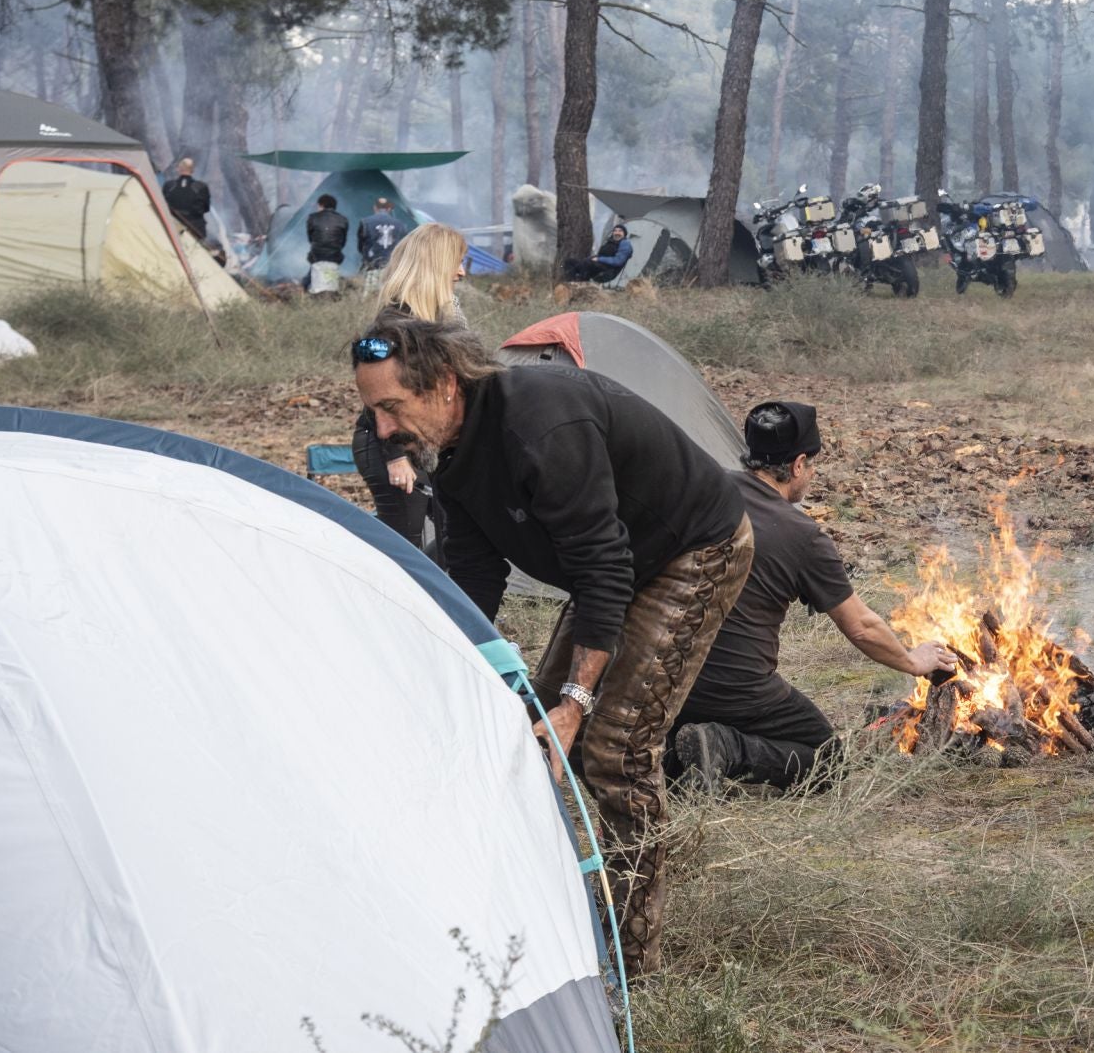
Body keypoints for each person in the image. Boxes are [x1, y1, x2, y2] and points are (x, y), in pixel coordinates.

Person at [351, 314, 754, 973]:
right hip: (612, 564)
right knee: (526, 732)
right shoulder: (449, 454)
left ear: (446, 384)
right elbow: (476, 572)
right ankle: (543, 911)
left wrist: (576, 701)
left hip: (691, 547)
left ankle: (632, 956)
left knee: (612, 746)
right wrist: (455, 663)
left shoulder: (540, 423)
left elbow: (605, 569)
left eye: (392, 407)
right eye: (372, 414)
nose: (383, 430)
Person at [669, 401, 959, 791]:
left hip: (665, 676)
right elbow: (861, 626)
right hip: (736, 688)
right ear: (798, 464)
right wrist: (912, 660)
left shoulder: (699, 491)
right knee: (825, 760)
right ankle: (724, 747)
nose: (813, 475)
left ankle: (673, 750)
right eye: (814, 465)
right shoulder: (802, 535)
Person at [349, 225, 466, 555]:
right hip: (389, 444)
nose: (461, 272)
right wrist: (397, 457)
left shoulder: (443, 318)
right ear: (435, 265)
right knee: (403, 548)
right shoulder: (388, 326)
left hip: (427, 445)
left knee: (455, 538)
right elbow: (376, 400)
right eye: (456, 262)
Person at [357, 197, 408, 282]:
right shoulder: (401, 225)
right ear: (389, 209)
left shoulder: (365, 222)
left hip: (372, 268)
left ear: (375, 208)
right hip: (392, 271)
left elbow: (360, 247)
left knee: (371, 294)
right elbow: (404, 249)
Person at [306, 194, 349, 295]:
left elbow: (311, 239)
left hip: (316, 255)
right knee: (331, 281)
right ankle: (331, 291)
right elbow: (342, 242)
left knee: (314, 274)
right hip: (335, 256)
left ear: (321, 205)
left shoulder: (312, 218)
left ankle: (311, 288)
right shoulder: (343, 220)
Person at [162, 158, 212, 243]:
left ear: (178, 169)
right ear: (192, 170)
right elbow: (206, 208)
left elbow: (162, 206)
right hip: (195, 229)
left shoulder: (169, 186)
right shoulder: (201, 187)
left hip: (172, 228)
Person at [564, 224, 633, 283]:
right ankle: (571, 283)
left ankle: (582, 284)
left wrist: (599, 259)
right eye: (615, 231)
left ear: (624, 234)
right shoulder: (610, 242)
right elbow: (599, 255)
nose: (617, 233)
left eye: (620, 231)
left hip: (608, 271)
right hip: (597, 266)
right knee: (569, 262)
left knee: (587, 264)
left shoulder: (625, 244)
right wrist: (591, 259)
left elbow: (618, 261)